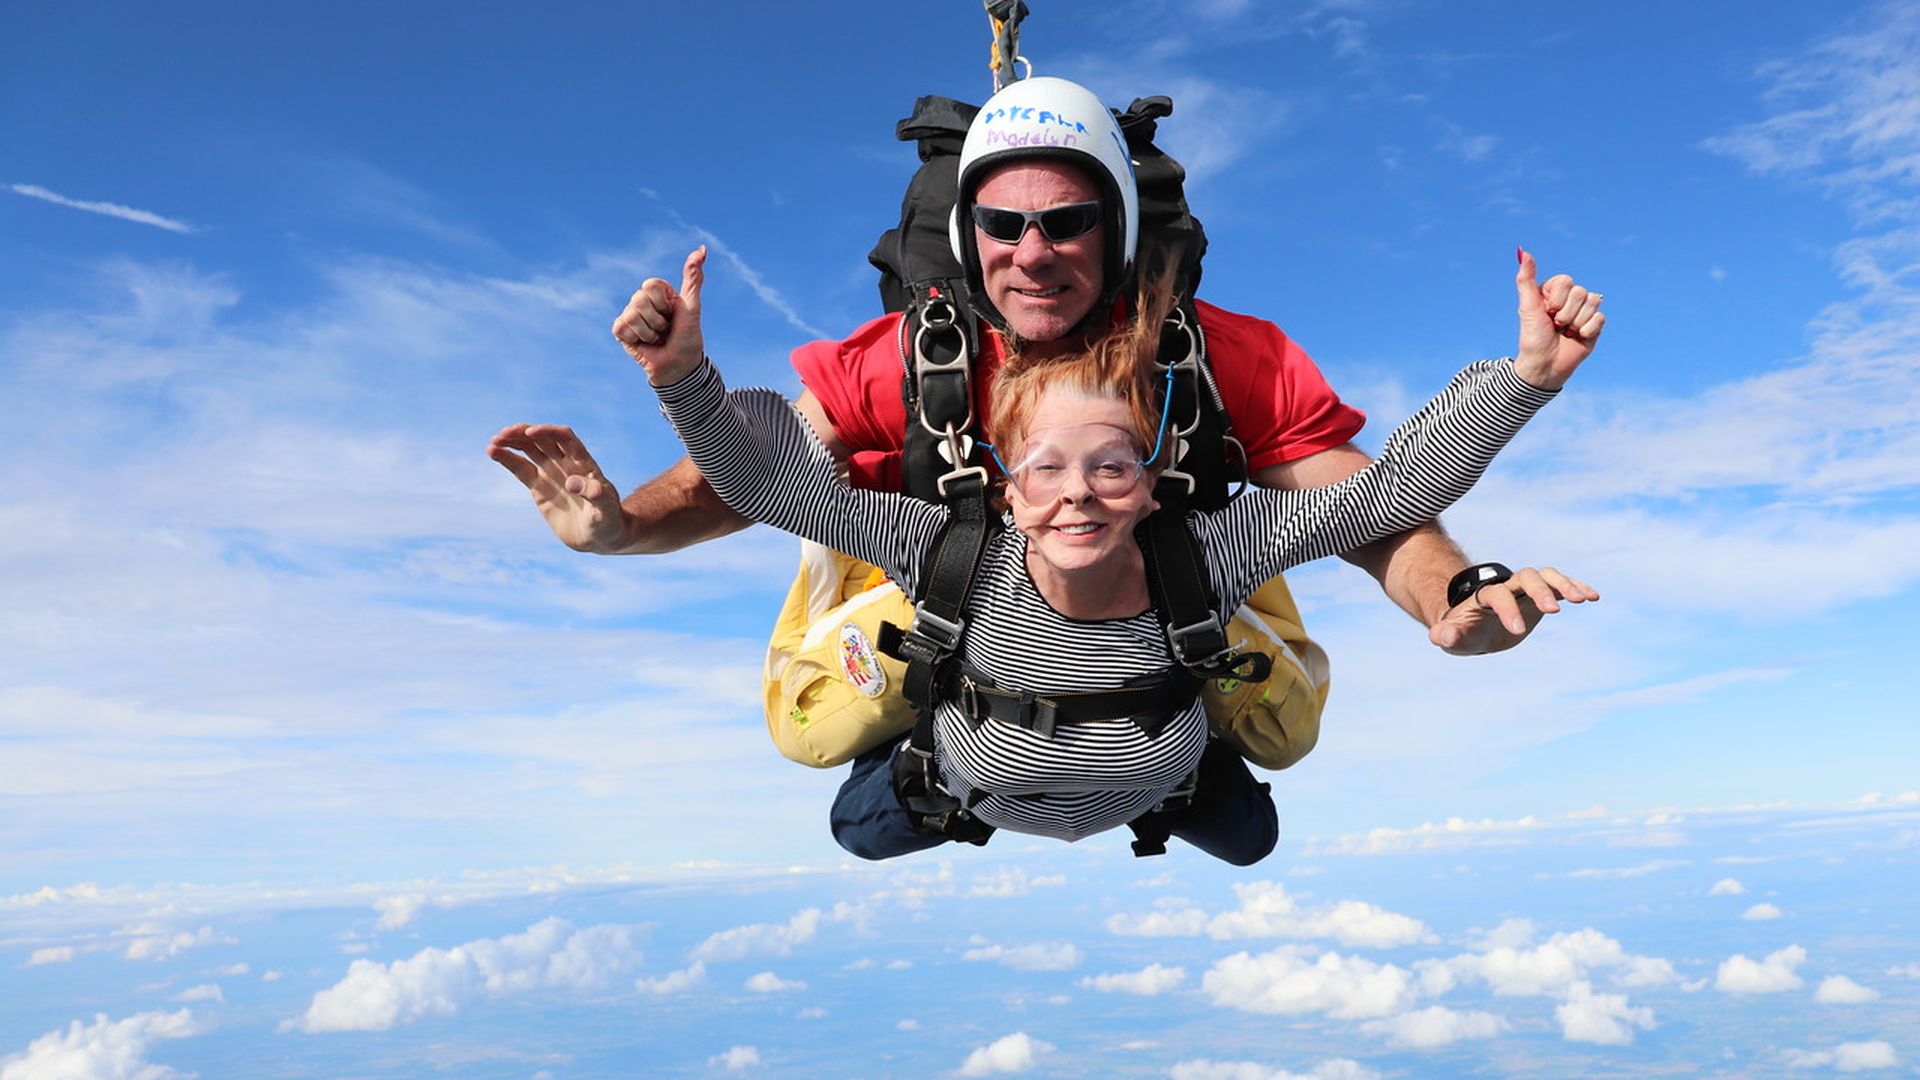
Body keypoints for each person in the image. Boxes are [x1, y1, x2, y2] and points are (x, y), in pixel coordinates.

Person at [488, 75, 1598, 858]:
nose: (1033, 251)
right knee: (824, 760)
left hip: (1166, 623)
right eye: (1004, 225)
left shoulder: (1223, 371)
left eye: (1067, 222)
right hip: (961, 619)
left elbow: (1381, 501)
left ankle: (1169, 739)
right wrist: (634, 501)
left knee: (1275, 761)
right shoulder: (911, 386)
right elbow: (763, 476)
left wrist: (1459, 584)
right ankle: (944, 755)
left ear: (1115, 228)